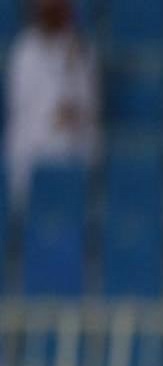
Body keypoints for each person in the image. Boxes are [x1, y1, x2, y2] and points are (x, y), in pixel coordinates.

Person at [4, 0, 100, 209]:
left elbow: (90, 106)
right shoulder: (24, 52)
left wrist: (73, 112)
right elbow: (23, 109)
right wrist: (52, 117)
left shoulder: (81, 48)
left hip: (74, 156)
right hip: (33, 154)